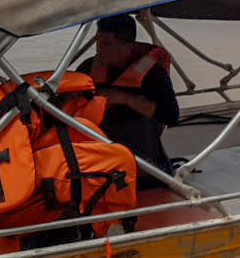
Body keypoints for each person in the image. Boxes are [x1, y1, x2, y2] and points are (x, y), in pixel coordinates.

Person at [77, 14, 180, 188]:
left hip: (141, 161)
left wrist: (125, 99)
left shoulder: (153, 74)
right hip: (97, 153)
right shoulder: (87, 68)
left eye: (107, 43)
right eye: (98, 41)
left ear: (127, 47)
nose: (99, 48)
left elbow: (170, 116)